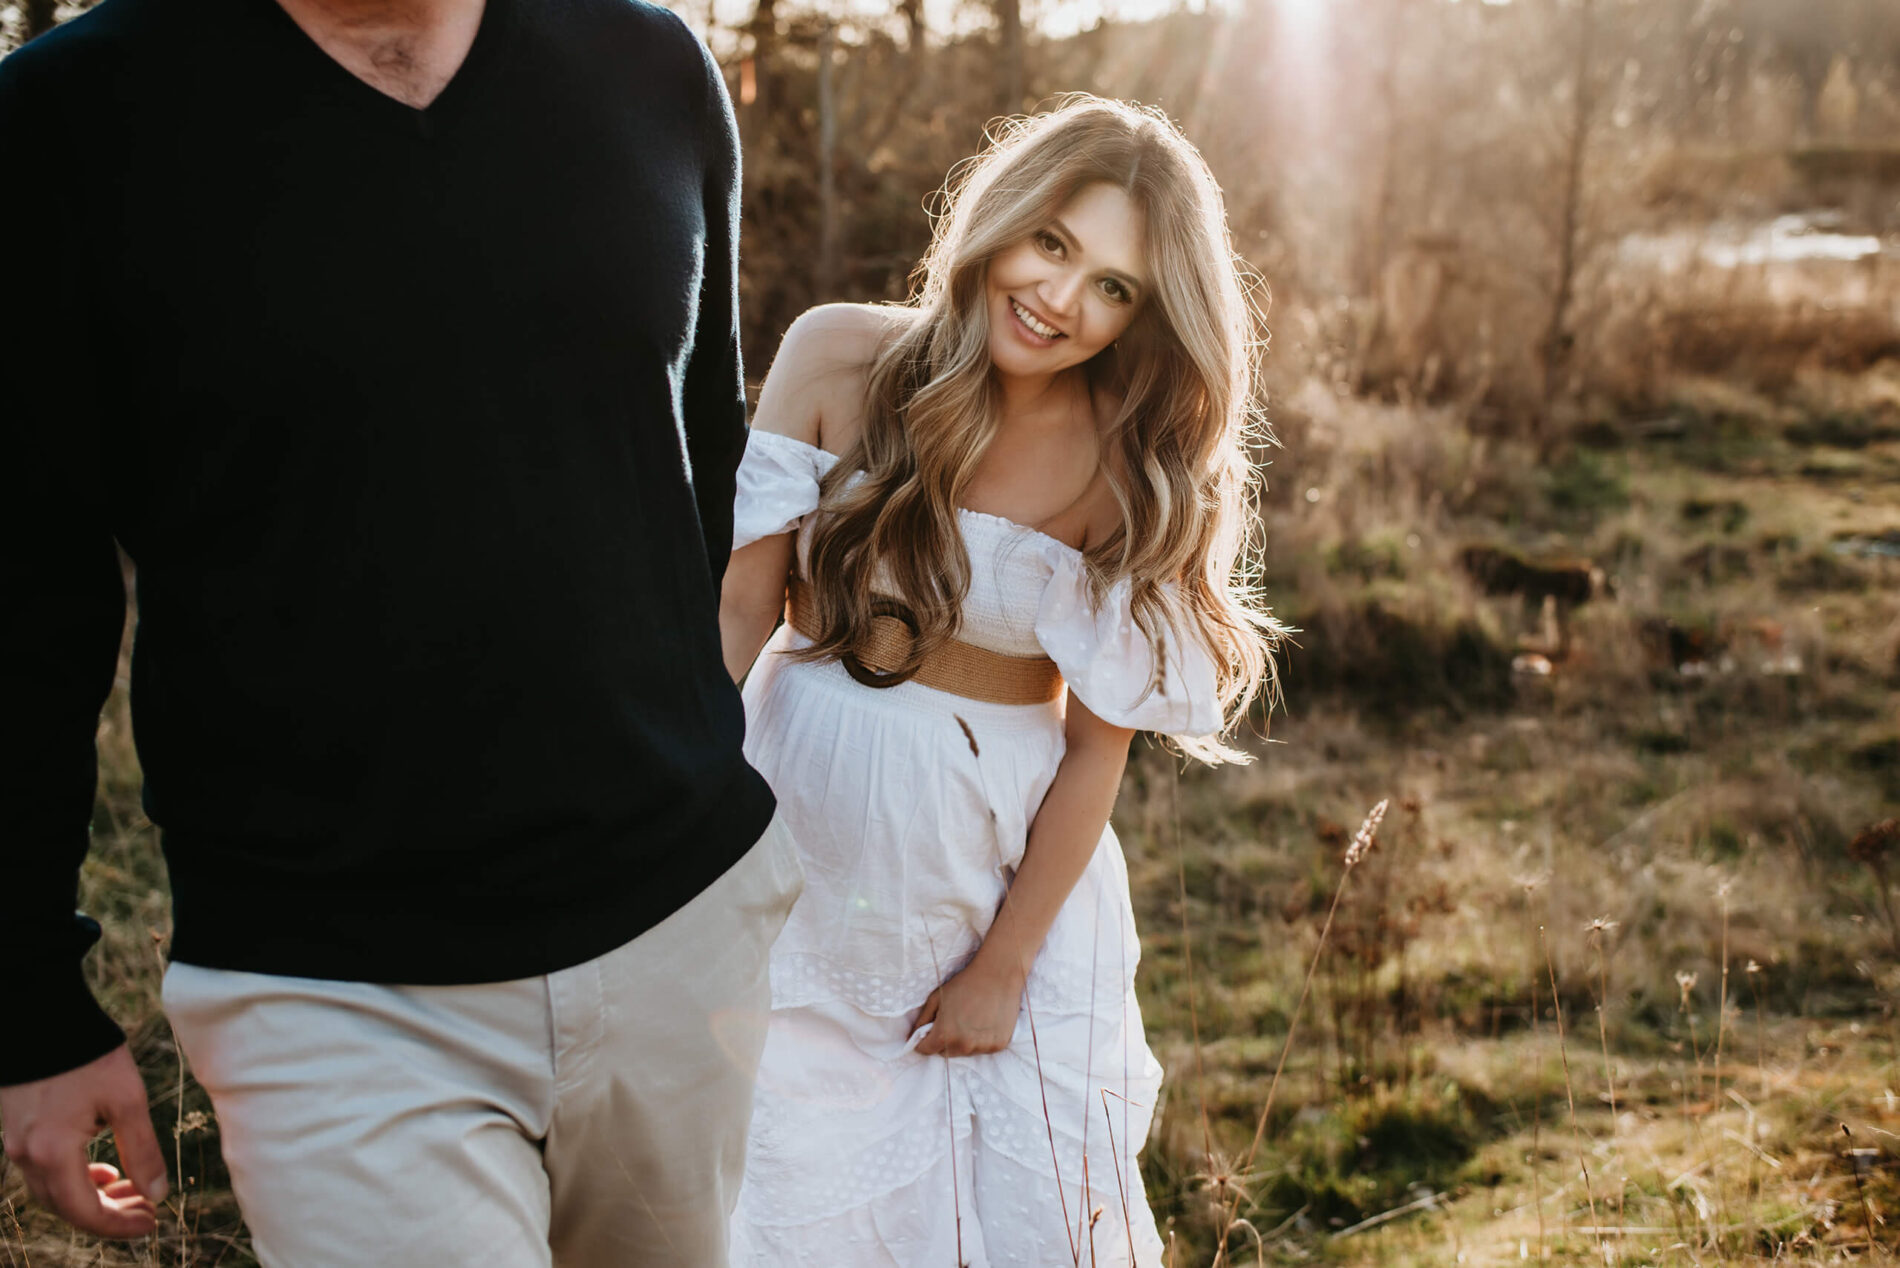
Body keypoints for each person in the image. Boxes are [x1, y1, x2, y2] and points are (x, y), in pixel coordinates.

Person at [0, 0, 799, 1263]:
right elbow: (24, 593)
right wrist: (25, 1001)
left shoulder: (652, 62)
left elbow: (702, 476)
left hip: (679, 940)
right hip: (331, 986)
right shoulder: (62, 119)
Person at [718, 96, 1284, 1266]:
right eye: (1055, 245)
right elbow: (739, 607)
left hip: (994, 892)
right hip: (796, 850)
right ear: (1003, 218)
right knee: (791, 1190)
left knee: (1012, 1214)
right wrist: (666, 809)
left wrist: (1001, 968)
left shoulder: (1125, 466)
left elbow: (1093, 750)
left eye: (1114, 288)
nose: (1062, 300)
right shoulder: (835, 355)